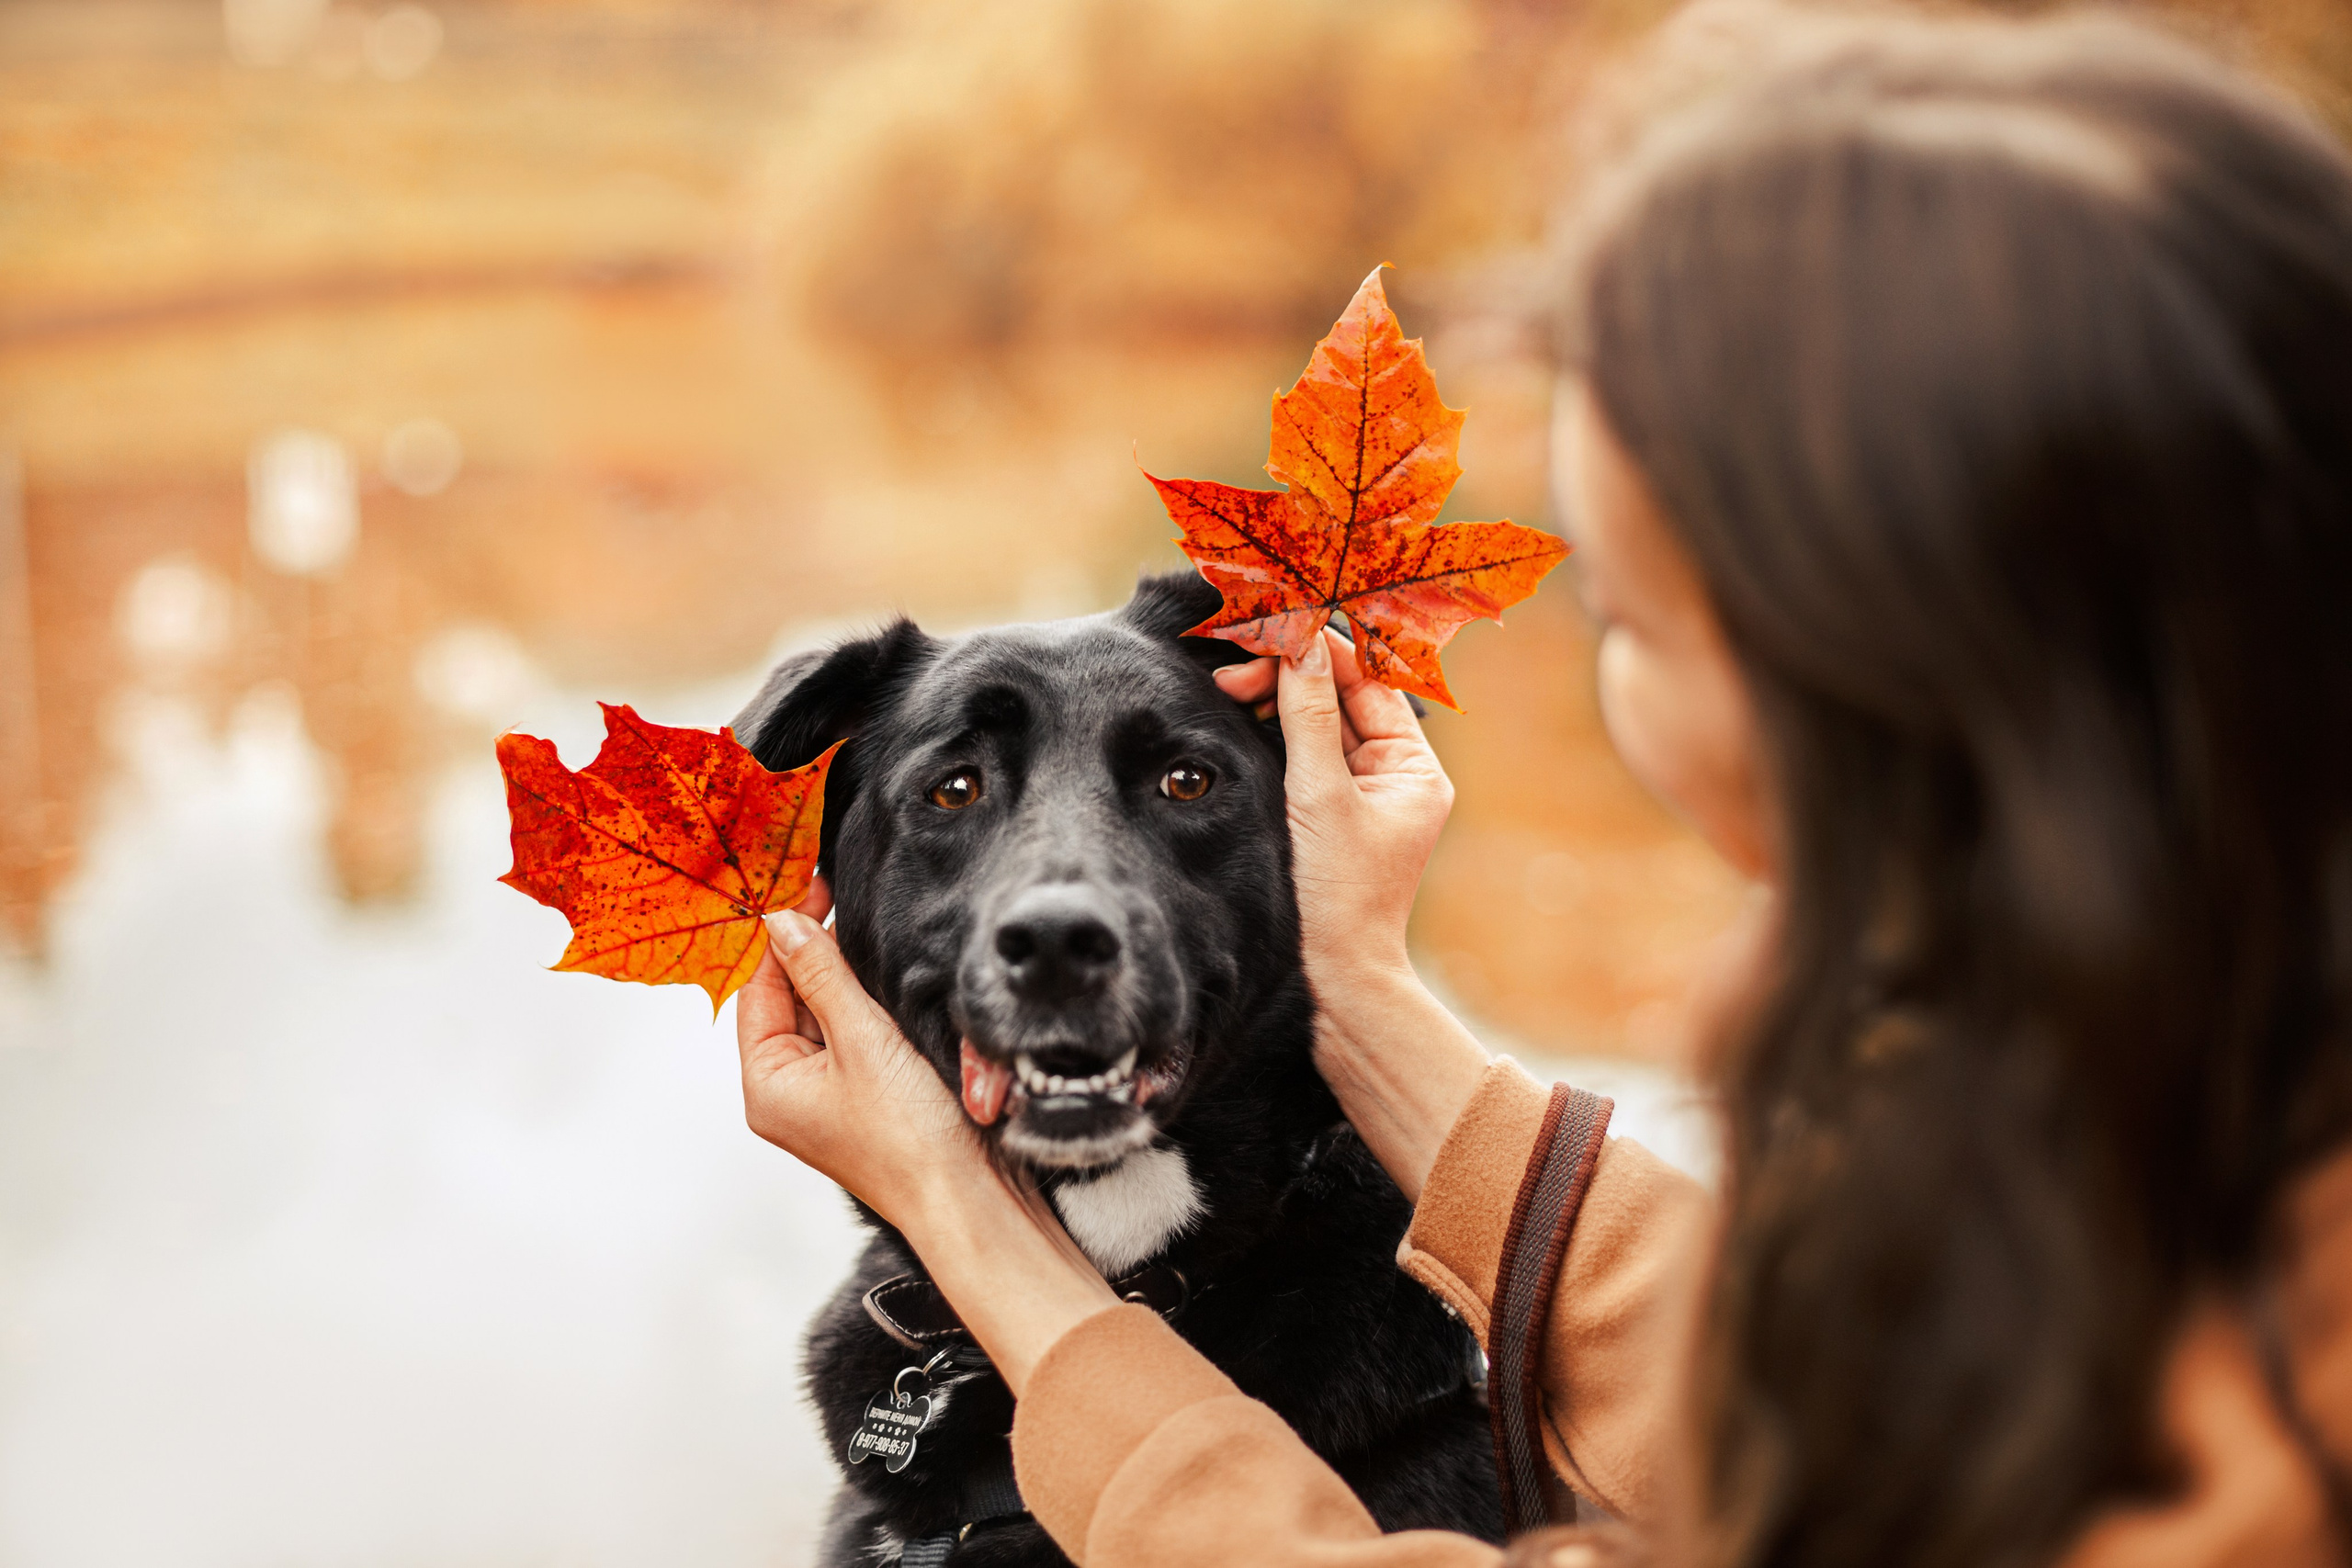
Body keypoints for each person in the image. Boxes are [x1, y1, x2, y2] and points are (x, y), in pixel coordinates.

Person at [732, 5, 2352, 1564]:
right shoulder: (2163, 1129)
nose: (1604, 682)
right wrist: (1357, 987)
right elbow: (1803, 1417)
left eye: (1628, 621)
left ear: (1871, 657)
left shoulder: (2243, 1397)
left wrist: (972, 1223)